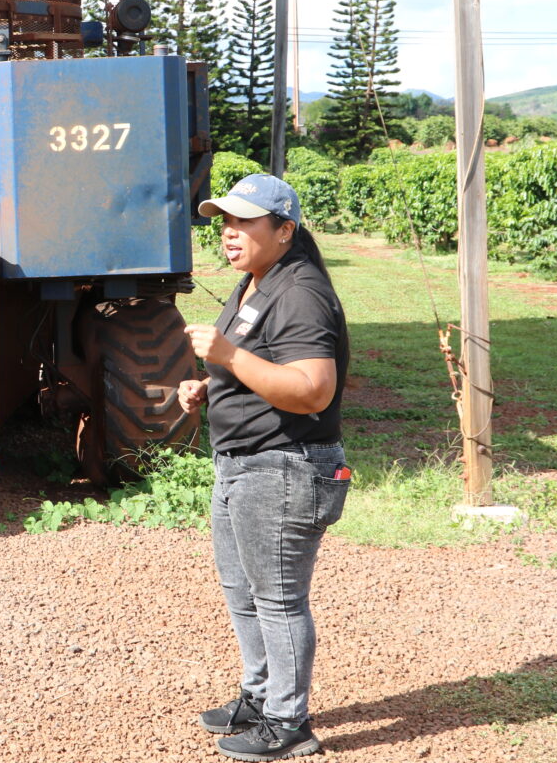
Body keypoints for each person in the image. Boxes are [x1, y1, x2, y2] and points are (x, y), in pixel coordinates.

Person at [177, 174, 351, 762]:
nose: (228, 231)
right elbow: (261, 364)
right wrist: (212, 383)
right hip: (243, 465)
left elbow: (311, 391)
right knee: (243, 594)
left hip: (286, 467)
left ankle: (289, 722)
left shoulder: (299, 291)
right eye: (223, 220)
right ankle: (259, 697)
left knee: (277, 600)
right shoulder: (255, 284)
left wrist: (225, 355)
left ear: (284, 230)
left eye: (244, 221)